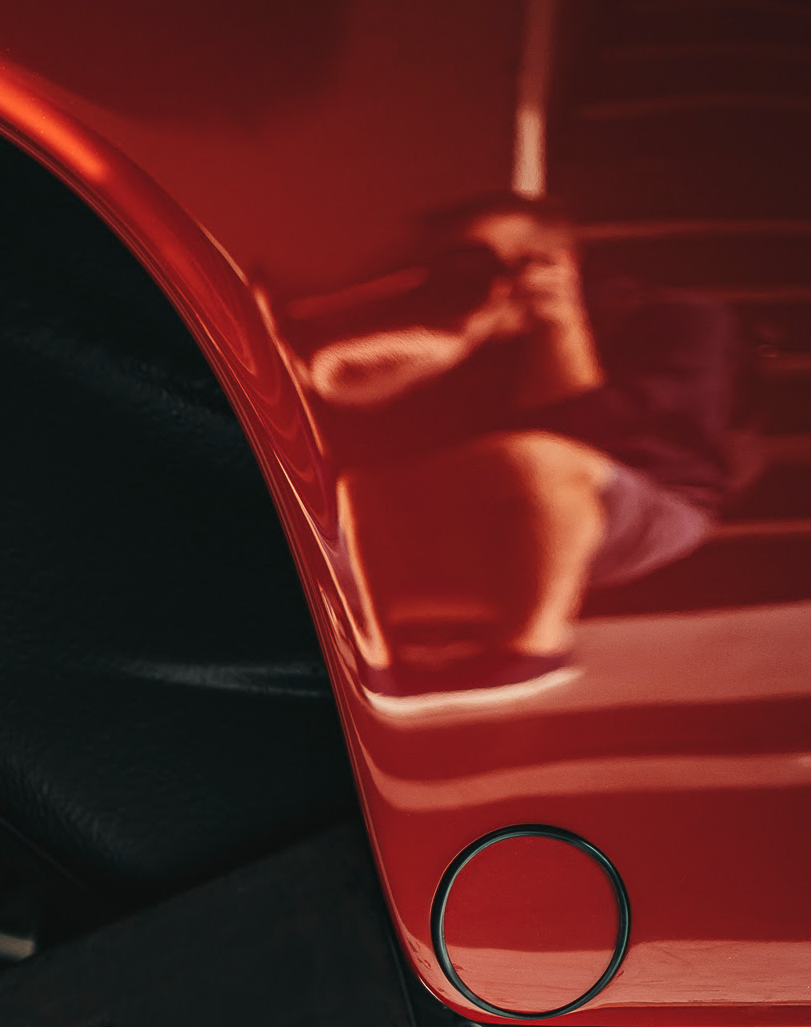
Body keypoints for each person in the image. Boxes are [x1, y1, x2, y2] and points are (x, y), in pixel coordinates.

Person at [295, 197, 752, 707]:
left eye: (493, 260)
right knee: (339, 505)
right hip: (477, 513)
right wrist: (456, 341)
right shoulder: (442, 324)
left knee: (535, 460)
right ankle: (380, 653)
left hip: (643, 505)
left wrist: (557, 326)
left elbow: (610, 439)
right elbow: (355, 426)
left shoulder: (674, 319)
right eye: (453, 262)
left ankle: (532, 650)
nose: (473, 277)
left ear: (561, 260)